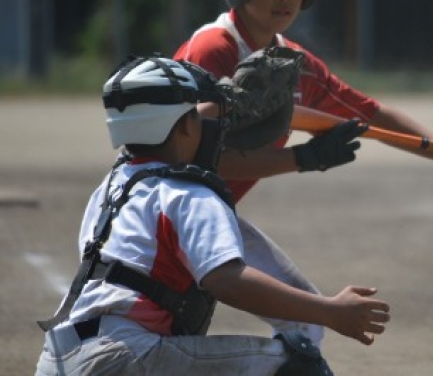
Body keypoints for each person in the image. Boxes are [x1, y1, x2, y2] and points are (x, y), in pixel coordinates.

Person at [174, 0, 433, 350]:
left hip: (208, 214)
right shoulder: (213, 49)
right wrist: (304, 158)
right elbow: (193, 159)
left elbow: (371, 115)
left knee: (303, 327)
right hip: (164, 213)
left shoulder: (293, 64)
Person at [35, 55, 390, 375]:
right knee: (297, 365)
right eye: (196, 115)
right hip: (120, 358)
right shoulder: (189, 194)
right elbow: (227, 281)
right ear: (185, 126)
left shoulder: (112, 187)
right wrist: (331, 311)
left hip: (58, 361)